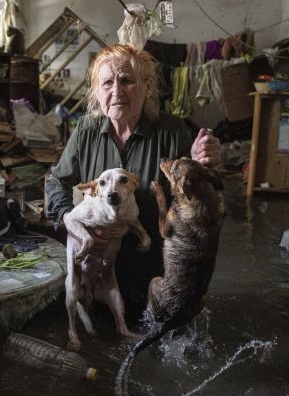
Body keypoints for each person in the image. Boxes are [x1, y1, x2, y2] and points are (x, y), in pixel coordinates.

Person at [45, 43, 221, 318]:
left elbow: (200, 199)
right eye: (106, 83)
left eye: (126, 80)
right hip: (98, 264)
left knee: (155, 330)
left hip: (152, 269)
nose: (116, 91)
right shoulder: (87, 130)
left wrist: (201, 164)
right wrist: (69, 221)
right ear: (96, 92)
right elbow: (57, 180)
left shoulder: (172, 131)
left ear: (148, 87)